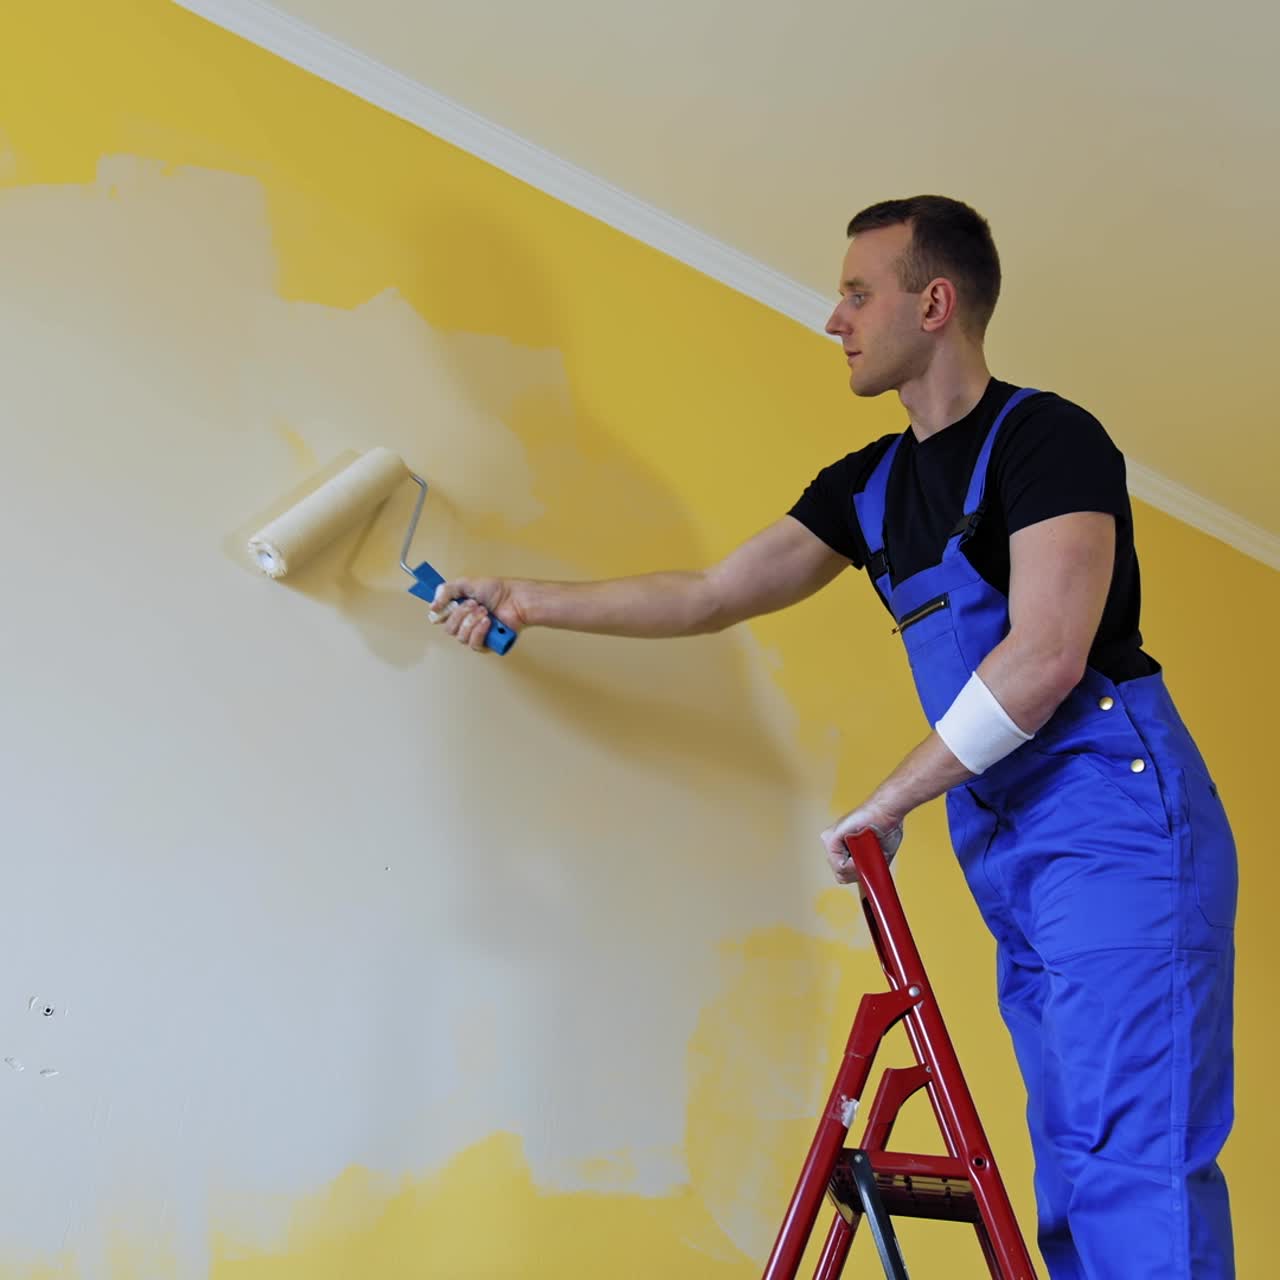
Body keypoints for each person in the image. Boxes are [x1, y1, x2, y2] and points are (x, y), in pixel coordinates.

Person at [428, 195, 1237, 1278]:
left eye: (857, 292)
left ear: (933, 301)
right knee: (1068, 1162)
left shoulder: (1046, 439)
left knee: (1127, 1155)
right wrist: (521, 594)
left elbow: (1045, 655)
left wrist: (894, 793)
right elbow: (710, 591)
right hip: (1010, 833)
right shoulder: (870, 486)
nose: (832, 317)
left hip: (1111, 808)